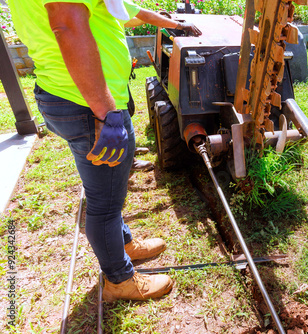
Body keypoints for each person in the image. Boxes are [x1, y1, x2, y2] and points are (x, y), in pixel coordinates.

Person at [10, 0, 201, 301]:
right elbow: (68, 27)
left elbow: (130, 11)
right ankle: (119, 280)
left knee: (108, 188)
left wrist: (175, 24)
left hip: (73, 96)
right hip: (88, 103)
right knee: (105, 204)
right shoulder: (97, 108)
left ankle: (122, 243)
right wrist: (105, 113)